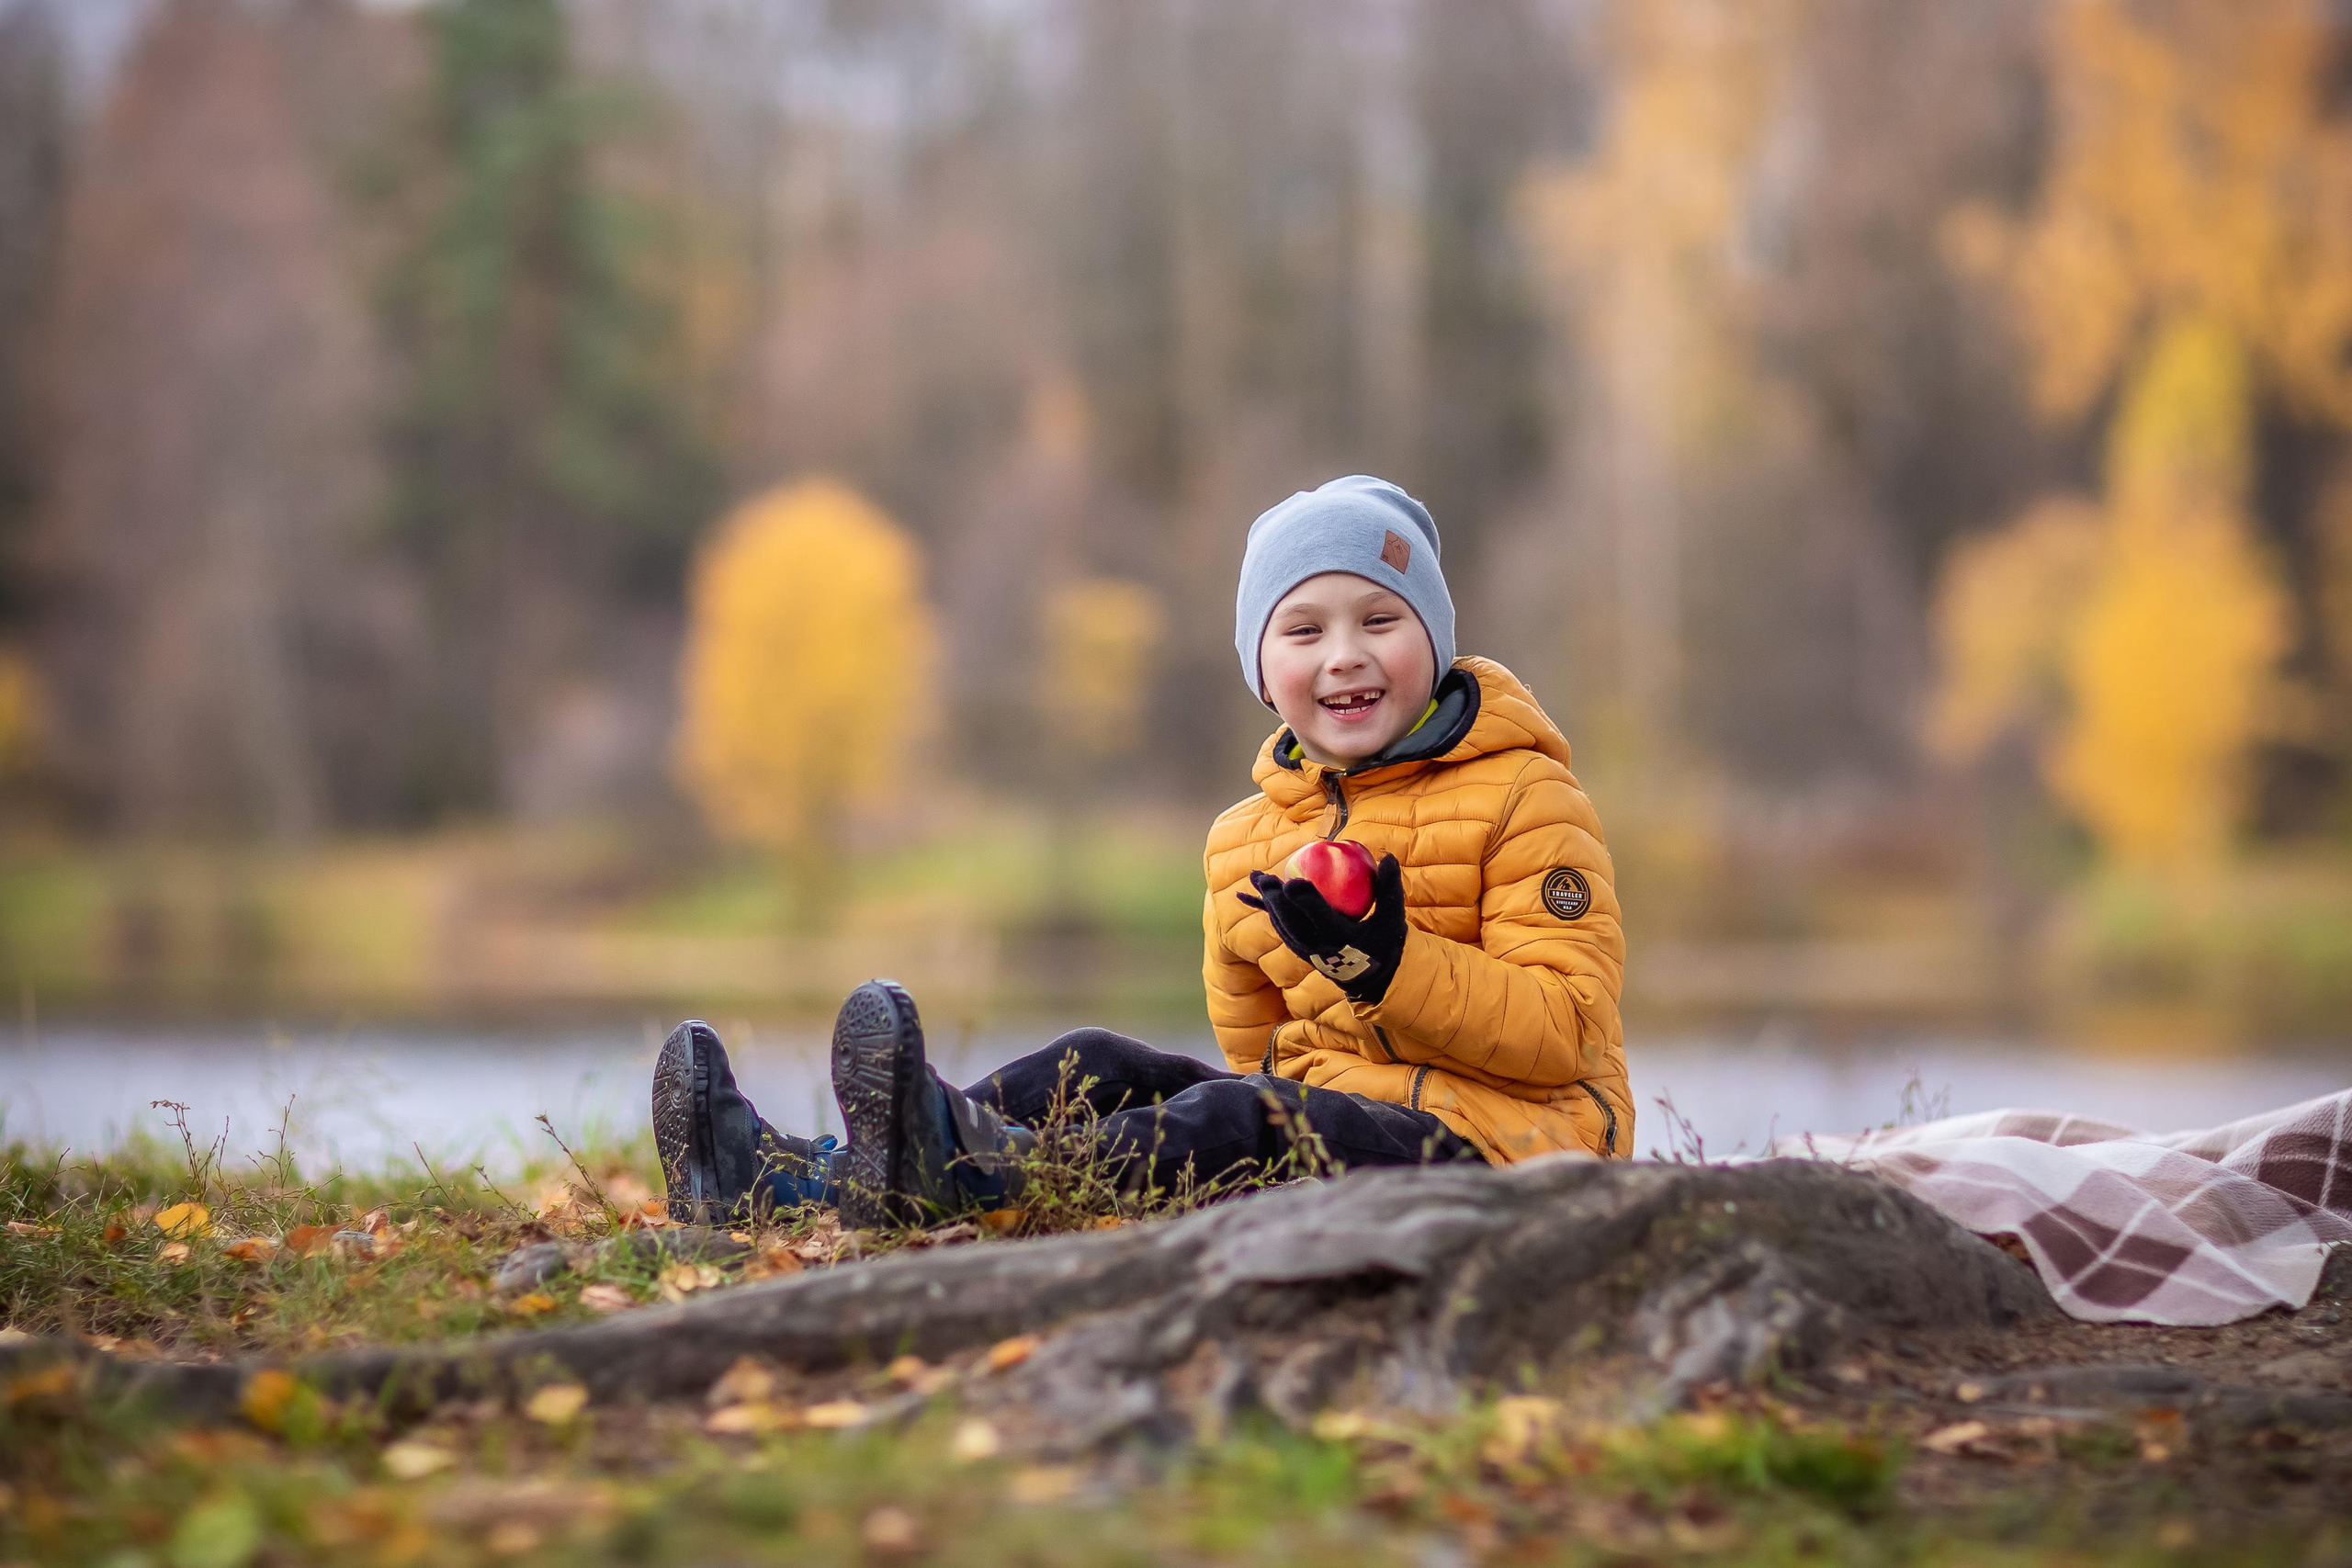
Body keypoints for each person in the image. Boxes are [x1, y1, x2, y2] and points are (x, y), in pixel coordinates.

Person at [652, 474, 1631, 1228]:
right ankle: (797, 1180)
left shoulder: (1523, 794)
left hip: (1509, 1151)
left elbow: (1570, 1032)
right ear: (1262, 670)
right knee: (1099, 1058)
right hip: (1347, 1124)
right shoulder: (1246, 841)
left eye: (1381, 619)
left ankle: (977, 1173)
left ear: (1436, 641)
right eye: (1303, 629)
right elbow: (1256, 1047)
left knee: (1247, 1119)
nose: (1344, 654)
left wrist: (1386, 968)